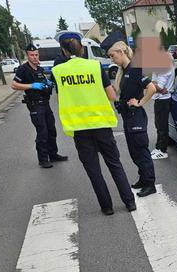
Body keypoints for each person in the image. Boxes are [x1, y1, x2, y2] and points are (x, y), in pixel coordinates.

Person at [52, 32, 136, 215]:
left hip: (79, 129)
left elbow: (60, 99)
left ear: (63, 50)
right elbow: (112, 96)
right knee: (114, 164)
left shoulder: (58, 72)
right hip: (101, 125)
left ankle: (107, 207)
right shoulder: (95, 66)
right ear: (81, 48)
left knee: (93, 170)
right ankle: (129, 202)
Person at [108, 41, 158, 197]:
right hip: (128, 118)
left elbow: (151, 88)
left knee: (141, 152)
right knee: (134, 152)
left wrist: (139, 103)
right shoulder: (123, 71)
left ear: (122, 52)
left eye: (113, 55)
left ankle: (150, 184)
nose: (111, 59)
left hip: (136, 117)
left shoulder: (135, 69)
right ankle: (143, 179)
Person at [12, 43, 68, 168]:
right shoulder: (23, 69)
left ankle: (53, 154)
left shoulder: (39, 69)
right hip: (35, 105)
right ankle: (43, 159)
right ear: (27, 56)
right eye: (32, 55)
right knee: (42, 132)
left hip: (45, 103)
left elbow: (44, 83)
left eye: (36, 54)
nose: (35, 57)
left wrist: (48, 83)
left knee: (51, 130)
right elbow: (14, 85)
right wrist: (31, 86)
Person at [151, 53, 175, 160]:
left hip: (163, 99)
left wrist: (154, 85)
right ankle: (158, 147)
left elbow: (158, 86)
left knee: (162, 126)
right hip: (160, 98)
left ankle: (162, 150)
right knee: (159, 125)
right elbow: (154, 84)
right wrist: (154, 84)